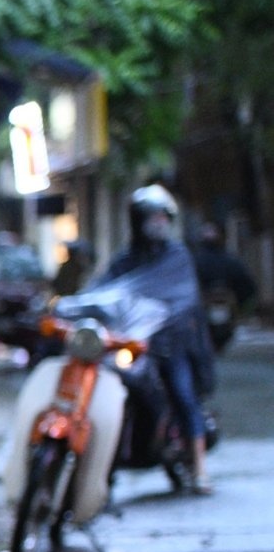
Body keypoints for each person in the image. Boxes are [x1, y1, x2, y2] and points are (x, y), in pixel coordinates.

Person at [93, 184, 216, 494]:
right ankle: (102, 476)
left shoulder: (177, 256)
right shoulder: (125, 260)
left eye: (164, 215)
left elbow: (185, 296)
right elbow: (104, 292)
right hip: (133, 346)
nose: (158, 221)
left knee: (182, 393)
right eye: (153, 215)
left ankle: (200, 469)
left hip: (170, 345)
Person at [193, 221, 258, 352]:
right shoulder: (230, 260)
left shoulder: (196, 260)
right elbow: (248, 286)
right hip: (208, 306)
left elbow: (247, 285)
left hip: (223, 305)